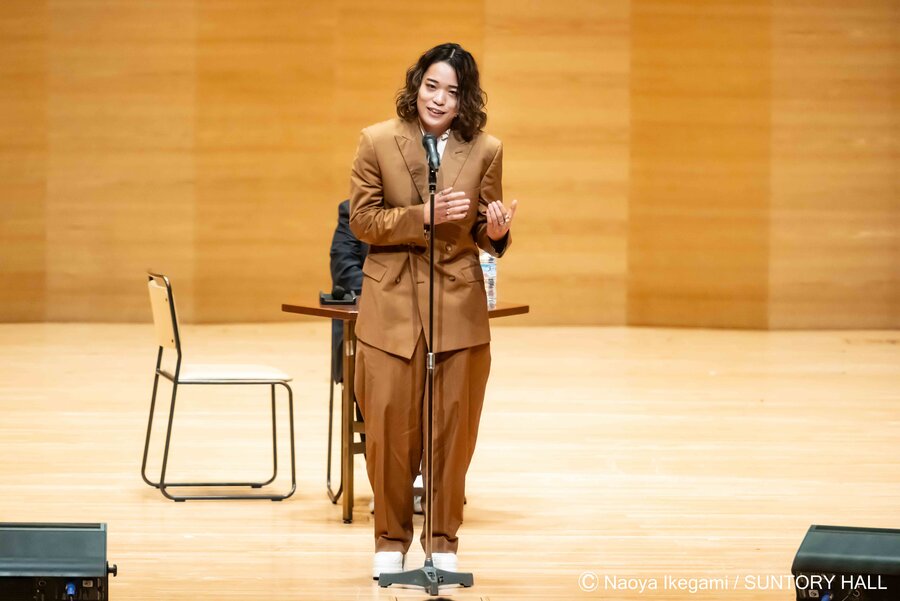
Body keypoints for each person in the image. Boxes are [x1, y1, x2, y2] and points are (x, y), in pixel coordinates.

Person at [348, 42, 518, 580]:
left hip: (457, 303)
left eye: (452, 90)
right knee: (390, 429)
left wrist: (494, 232)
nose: (440, 98)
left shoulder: (486, 149)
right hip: (391, 301)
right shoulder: (376, 141)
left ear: (465, 98)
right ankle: (390, 540)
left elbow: (480, 231)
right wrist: (422, 214)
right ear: (416, 85)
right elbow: (363, 220)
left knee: (452, 429)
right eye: (431, 85)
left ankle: (443, 539)